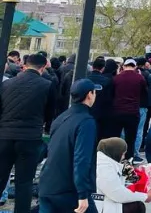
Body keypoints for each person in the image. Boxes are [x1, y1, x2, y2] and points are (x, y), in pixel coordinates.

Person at [0, 52, 56, 213]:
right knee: (24, 182)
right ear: (44, 66)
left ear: (24, 65)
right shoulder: (47, 84)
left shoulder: (7, 84)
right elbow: (50, 112)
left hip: (4, 137)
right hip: (30, 138)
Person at [38, 79, 98, 213]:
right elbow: (82, 159)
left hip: (48, 184)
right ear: (89, 94)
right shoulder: (86, 122)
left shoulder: (61, 118)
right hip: (68, 189)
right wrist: (82, 194)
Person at [95, 137, 151, 213]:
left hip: (104, 201)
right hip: (102, 206)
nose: (123, 157)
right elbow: (117, 194)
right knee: (137, 206)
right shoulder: (103, 167)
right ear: (115, 152)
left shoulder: (105, 161)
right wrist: (145, 197)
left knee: (136, 203)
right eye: (123, 154)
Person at [112, 59, 148, 162]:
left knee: (117, 137)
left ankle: (116, 159)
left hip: (117, 111)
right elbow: (145, 93)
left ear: (123, 66)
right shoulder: (140, 78)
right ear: (135, 66)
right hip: (132, 112)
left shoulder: (117, 78)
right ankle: (129, 160)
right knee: (131, 139)